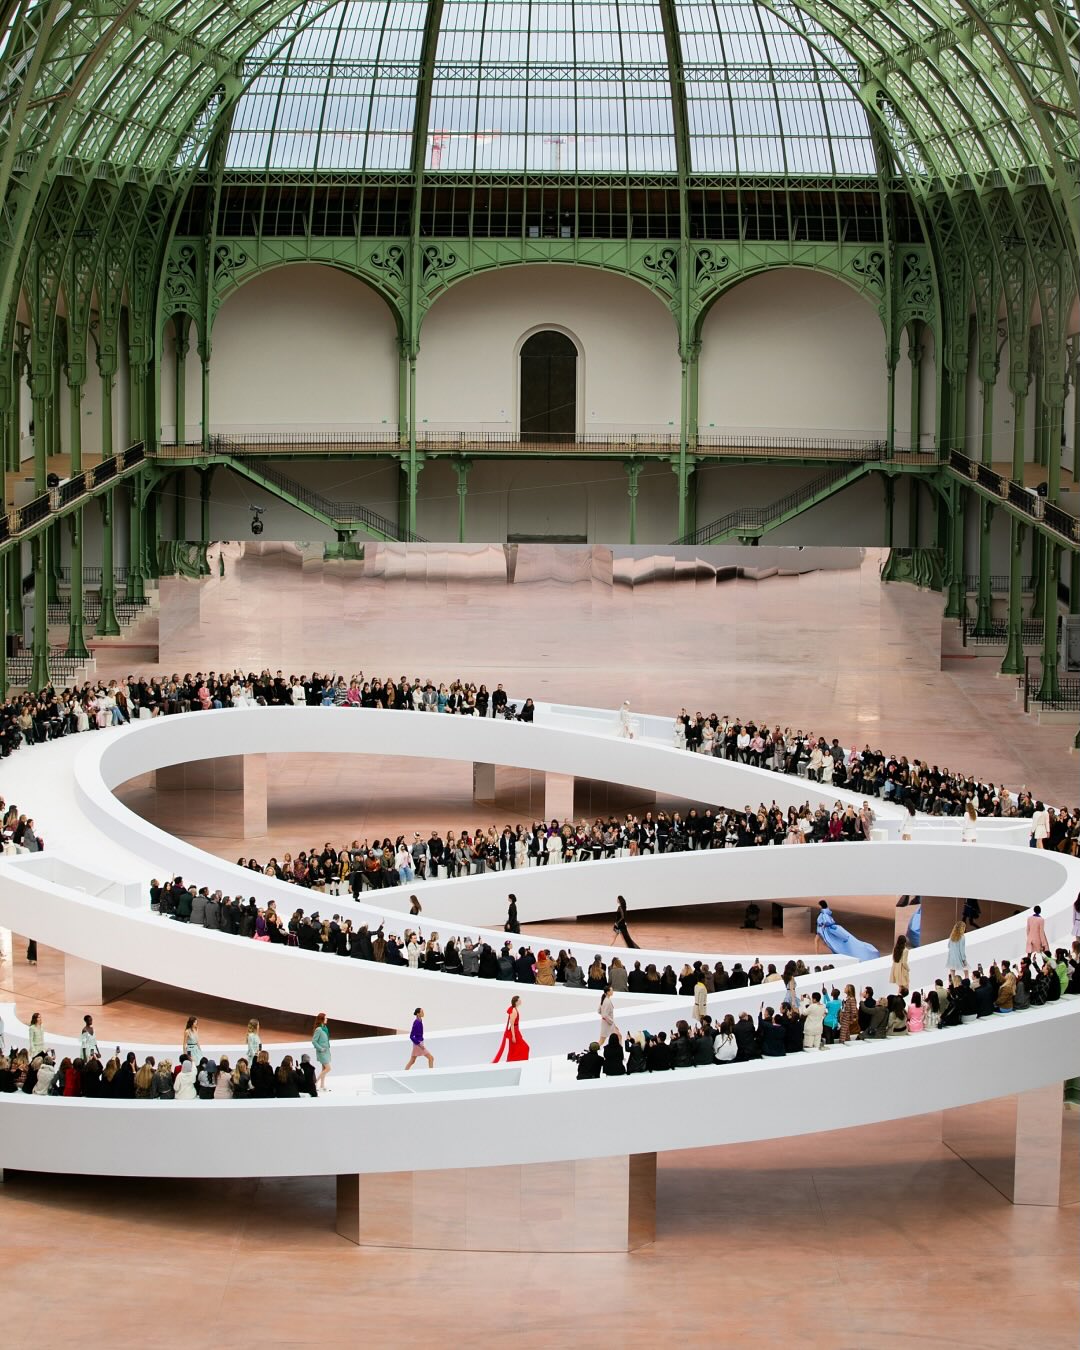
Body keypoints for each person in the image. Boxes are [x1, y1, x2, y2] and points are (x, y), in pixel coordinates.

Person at [815, 900, 879, 961]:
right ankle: (818, 953)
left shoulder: (824, 913)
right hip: (824, 930)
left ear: (821, 906)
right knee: (824, 941)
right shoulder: (825, 912)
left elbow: (828, 921)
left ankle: (818, 954)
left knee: (828, 942)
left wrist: (823, 925)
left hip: (826, 931)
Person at [492, 995, 529, 1062]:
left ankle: (514, 1060)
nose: (521, 1001)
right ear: (516, 1002)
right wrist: (514, 1036)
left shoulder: (515, 1009)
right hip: (514, 1031)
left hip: (516, 1030)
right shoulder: (514, 1011)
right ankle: (514, 1060)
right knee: (525, 1047)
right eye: (519, 1000)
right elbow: (512, 1024)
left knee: (515, 1049)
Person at [312, 1012, 332, 1092]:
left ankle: (322, 1086)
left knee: (324, 1068)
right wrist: (320, 1049)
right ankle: (315, 1082)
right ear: (322, 1019)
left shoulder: (325, 1028)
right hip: (322, 1052)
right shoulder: (319, 1029)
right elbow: (314, 1041)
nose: (327, 1019)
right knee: (328, 1068)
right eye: (326, 1018)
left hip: (326, 1051)